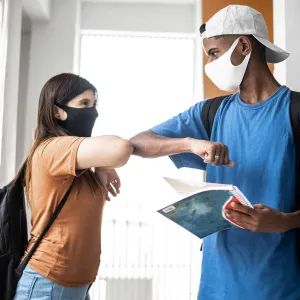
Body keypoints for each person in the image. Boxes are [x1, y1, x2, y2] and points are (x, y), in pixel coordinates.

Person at [130, 5, 300, 300]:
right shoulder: (211, 113)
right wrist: (190, 144)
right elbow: (137, 143)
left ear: (244, 46)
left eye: (214, 53)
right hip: (216, 285)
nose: (209, 65)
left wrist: (285, 221)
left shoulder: (294, 112)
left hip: (280, 285)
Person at [14, 73, 132, 300]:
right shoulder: (53, 148)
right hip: (47, 282)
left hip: (78, 284)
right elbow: (121, 148)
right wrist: (104, 162)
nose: (92, 111)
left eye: (94, 104)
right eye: (84, 104)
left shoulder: (79, 163)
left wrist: (102, 166)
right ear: (57, 111)